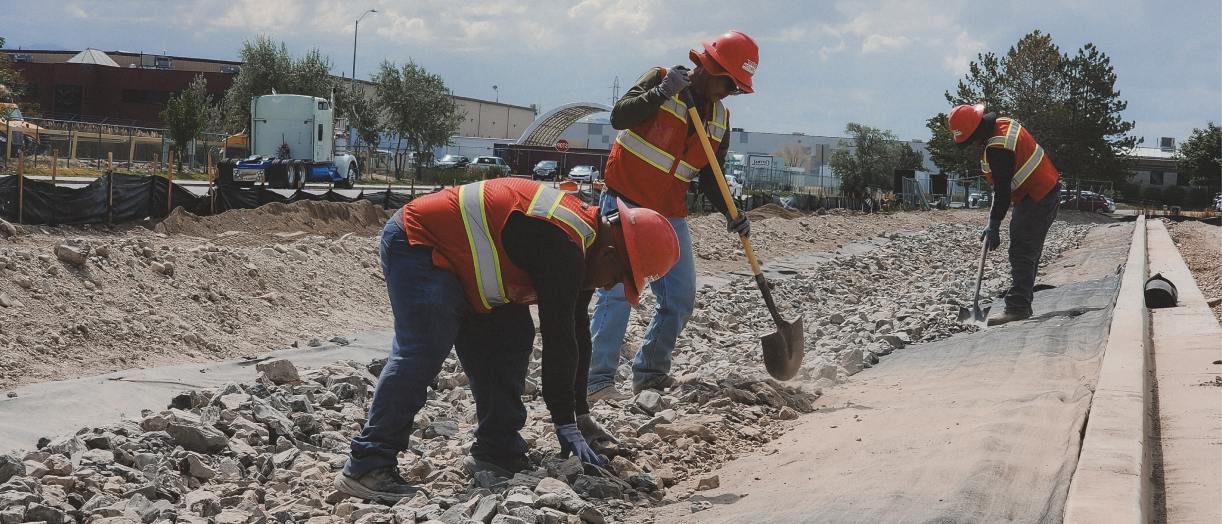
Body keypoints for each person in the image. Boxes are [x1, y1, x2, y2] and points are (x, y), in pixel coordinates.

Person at [333, 177, 680, 502]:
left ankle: (496, 450)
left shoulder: (586, 243)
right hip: (422, 242)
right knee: (423, 348)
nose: (610, 285)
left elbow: (575, 331)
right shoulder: (565, 246)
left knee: (510, 339)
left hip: (467, 261)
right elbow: (558, 337)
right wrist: (565, 422)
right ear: (609, 252)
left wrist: (580, 415)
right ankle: (368, 465)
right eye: (618, 276)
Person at [587, 31, 759, 401]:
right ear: (710, 67)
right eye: (730, 83)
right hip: (624, 201)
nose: (731, 92)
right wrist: (662, 92)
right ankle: (596, 382)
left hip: (669, 214)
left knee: (679, 297)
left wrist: (732, 211)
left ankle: (650, 374)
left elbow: (711, 176)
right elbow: (619, 116)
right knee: (617, 292)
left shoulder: (720, 118)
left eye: (738, 88)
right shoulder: (661, 79)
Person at [948, 103, 1063, 326]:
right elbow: (1003, 187)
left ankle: (1017, 308)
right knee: (1027, 250)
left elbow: (1002, 192)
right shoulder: (1002, 125)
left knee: (1022, 251)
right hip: (1040, 192)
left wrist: (994, 223)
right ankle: (1021, 301)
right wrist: (994, 220)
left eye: (968, 141)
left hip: (1037, 196)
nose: (970, 146)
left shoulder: (997, 149)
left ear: (976, 133)